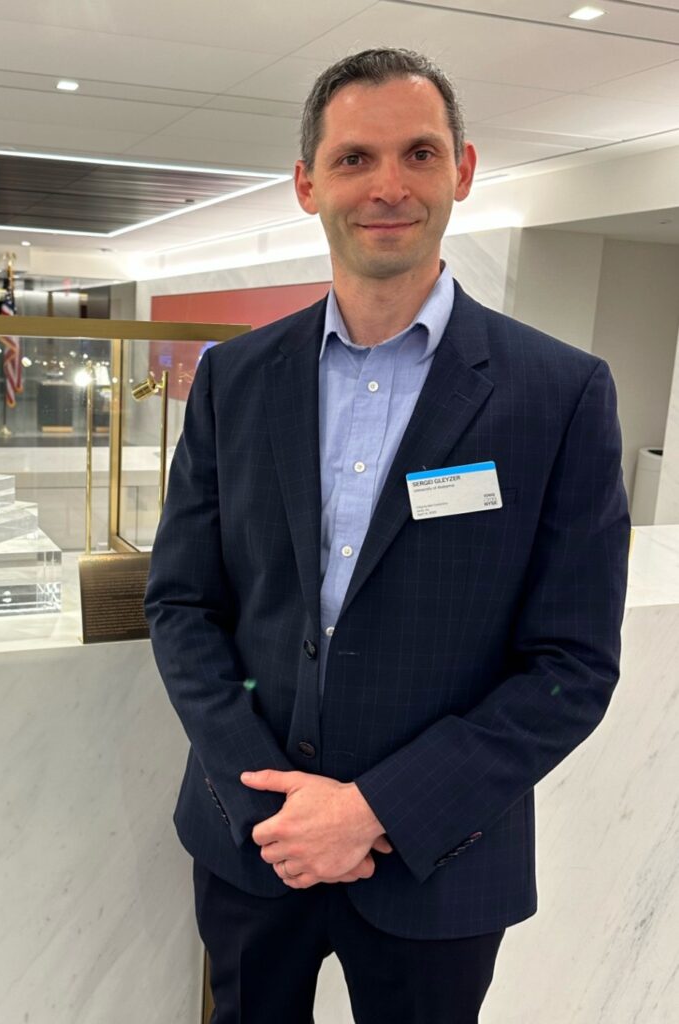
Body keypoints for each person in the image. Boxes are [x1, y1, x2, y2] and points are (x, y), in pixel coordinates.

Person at [144, 47, 629, 1024]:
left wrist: (374, 811)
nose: (389, 186)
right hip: (255, 844)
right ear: (306, 183)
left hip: (438, 862)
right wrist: (275, 805)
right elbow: (183, 604)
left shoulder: (558, 394)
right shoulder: (233, 380)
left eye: (418, 152)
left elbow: (569, 665)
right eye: (356, 157)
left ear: (462, 170)